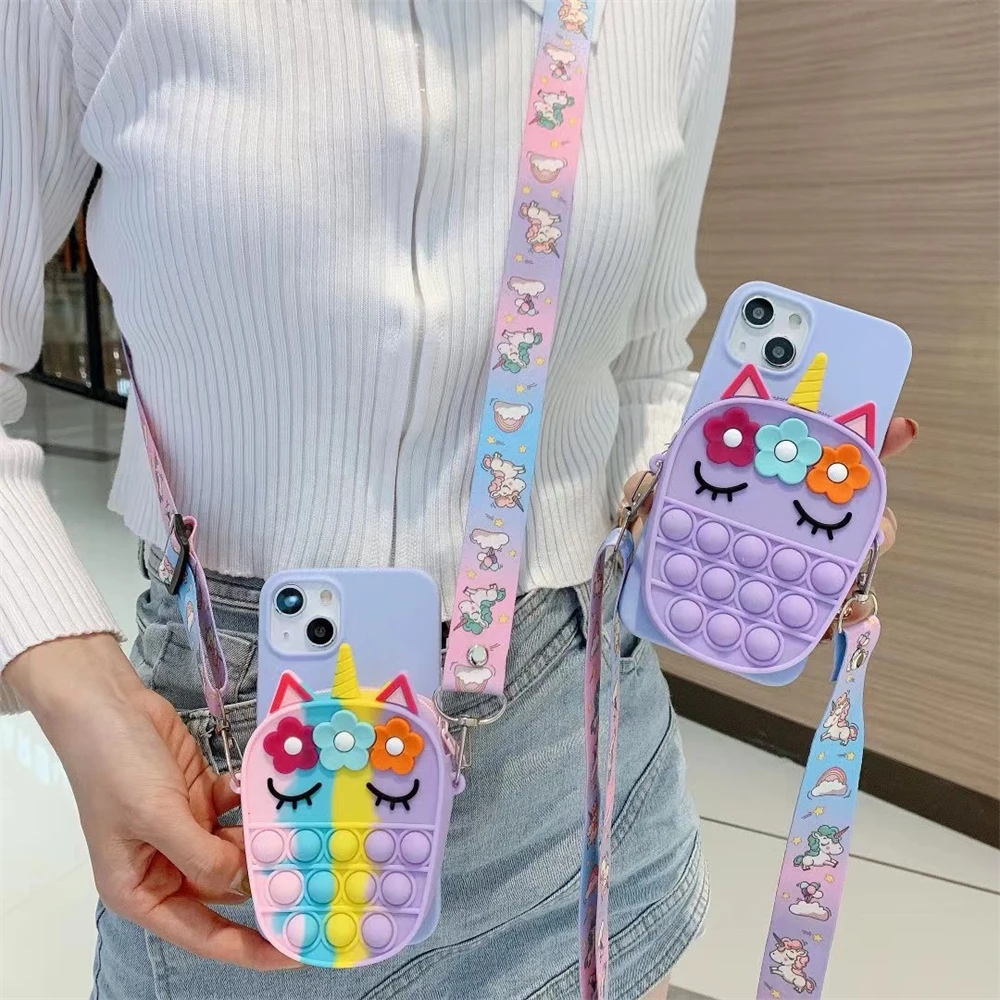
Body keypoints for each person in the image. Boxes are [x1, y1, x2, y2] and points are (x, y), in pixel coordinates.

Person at [0, 1, 916, 998]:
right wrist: (74, 680)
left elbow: (646, 362)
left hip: (575, 731)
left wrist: (727, 513)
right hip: (251, 763)